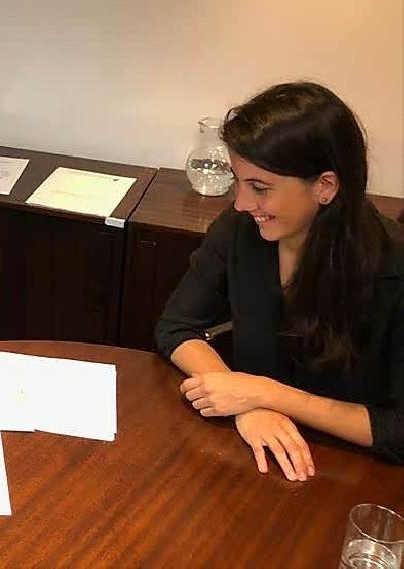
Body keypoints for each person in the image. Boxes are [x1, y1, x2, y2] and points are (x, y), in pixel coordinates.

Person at [155, 81, 403, 482]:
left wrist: (265, 394)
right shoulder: (241, 229)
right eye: (238, 180)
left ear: (325, 186)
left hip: (344, 472)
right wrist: (247, 404)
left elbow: (398, 430)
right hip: (252, 457)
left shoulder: (393, 266)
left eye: (260, 188)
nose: (241, 203)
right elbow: (176, 326)